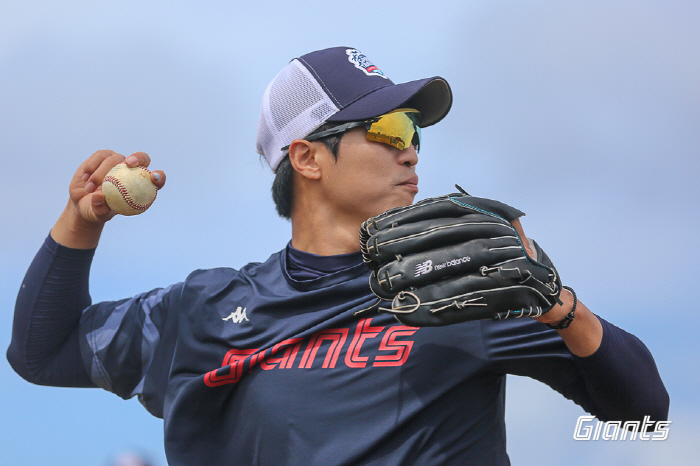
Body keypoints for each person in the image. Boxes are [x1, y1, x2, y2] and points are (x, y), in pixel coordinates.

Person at [8, 46, 668, 466]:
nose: (410, 150)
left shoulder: (464, 282)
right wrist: (81, 220)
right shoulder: (204, 309)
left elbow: (643, 419)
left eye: (414, 133)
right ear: (306, 157)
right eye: (388, 129)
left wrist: (561, 308)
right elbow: (45, 351)